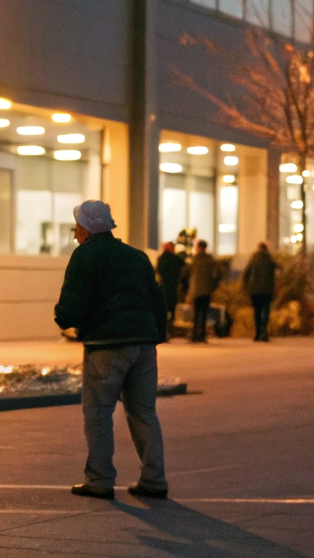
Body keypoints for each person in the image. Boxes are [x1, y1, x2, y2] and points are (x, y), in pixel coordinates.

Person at [53, 200, 169, 500]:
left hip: (106, 344)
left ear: (84, 227)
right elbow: (157, 299)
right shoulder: (136, 256)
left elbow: (73, 301)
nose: (75, 232)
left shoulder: (85, 256)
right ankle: (154, 478)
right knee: (143, 411)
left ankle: (100, 479)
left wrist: (64, 318)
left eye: (76, 226)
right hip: (144, 343)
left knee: (99, 412)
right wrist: (156, 334)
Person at [186, 240, 220, 343]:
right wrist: (213, 285)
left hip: (196, 291)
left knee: (196, 313)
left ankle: (195, 335)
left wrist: (187, 286)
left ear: (198, 247)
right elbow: (218, 273)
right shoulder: (210, 259)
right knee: (204, 313)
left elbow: (186, 272)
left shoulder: (193, 259)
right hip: (207, 290)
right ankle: (202, 335)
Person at [243, 243, 276, 342]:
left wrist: (246, 286)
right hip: (267, 290)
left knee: (257, 311)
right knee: (265, 311)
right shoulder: (270, 260)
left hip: (255, 290)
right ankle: (264, 332)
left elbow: (246, 274)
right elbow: (274, 273)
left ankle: (257, 333)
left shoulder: (253, 259)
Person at [154, 242, 185, 339]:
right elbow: (183, 266)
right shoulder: (175, 259)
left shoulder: (161, 259)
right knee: (172, 310)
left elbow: (159, 271)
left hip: (163, 287)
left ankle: (164, 331)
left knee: (164, 310)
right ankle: (170, 331)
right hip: (173, 288)